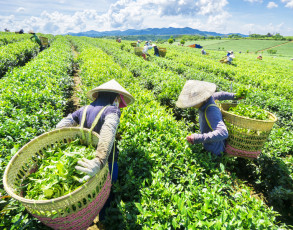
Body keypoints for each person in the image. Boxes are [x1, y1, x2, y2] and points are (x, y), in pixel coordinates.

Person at [56, 79, 135, 220]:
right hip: (104, 163)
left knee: (89, 193)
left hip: (84, 160)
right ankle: (103, 220)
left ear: (98, 95)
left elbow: (60, 126)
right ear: (115, 97)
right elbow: (108, 132)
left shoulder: (83, 109)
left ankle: (89, 216)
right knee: (106, 194)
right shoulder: (112, 110)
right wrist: (99, 161)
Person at [176, 80, 241, 156]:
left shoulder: (211, 111)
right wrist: (235, 96)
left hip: (214, 151)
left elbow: (223, 132)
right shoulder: (209, 98)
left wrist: (197, 138)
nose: (191, 105)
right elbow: (220, 94)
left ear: (201, 99)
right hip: (209, 144)